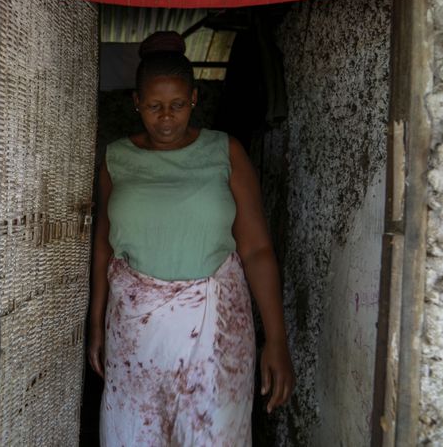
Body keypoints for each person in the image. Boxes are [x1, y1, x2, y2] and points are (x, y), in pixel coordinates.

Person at [87, 31, 294, 446]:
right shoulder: (116, 159)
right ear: (136, 103)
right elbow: (104, 247)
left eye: (178, 105)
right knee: (134, 432)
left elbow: (256, 249)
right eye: (155, 107)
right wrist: (95, 322)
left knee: (210, 434)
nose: (166, 118)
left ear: (195, 99)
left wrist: (277, 339)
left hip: (214, 337)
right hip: (135, 335)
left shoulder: (225, 152)